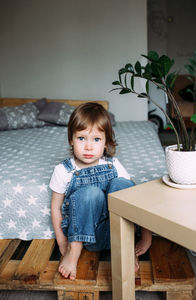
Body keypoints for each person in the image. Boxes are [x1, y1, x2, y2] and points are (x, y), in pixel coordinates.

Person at [49, 102, 151, 280]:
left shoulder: (113, 165)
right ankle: (74, 251)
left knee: (122, 184)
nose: (88, 147)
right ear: (71, 140)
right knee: (91, 193)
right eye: (81, 138)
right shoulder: (63, 170)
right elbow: (56, 208)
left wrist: (146, 237)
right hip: (88, 237)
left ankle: (127, 249)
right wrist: (62, 242)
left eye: (96, 139)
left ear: (106, 143)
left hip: (118, 232)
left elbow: (137, 200)